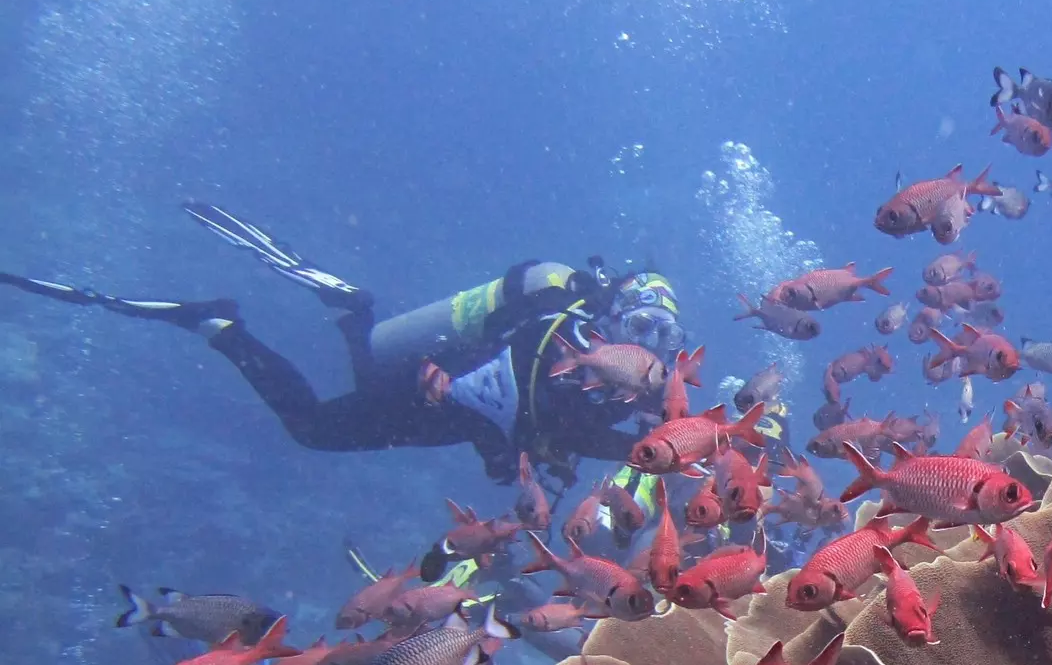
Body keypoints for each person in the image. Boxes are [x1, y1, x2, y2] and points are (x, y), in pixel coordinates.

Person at [0, 203, 687, 481]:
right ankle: (220, 326)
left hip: (450, 410)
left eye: (662, 338)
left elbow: (532, 429)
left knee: (362, 380)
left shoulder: (625, 386)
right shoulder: (558, 338)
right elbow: (531, 409)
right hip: (435, 388)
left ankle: (352, 316)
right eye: (642, 327)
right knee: (310, 427)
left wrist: (667, 437)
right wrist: (653, 451)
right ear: (618, 311)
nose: (647, 343)